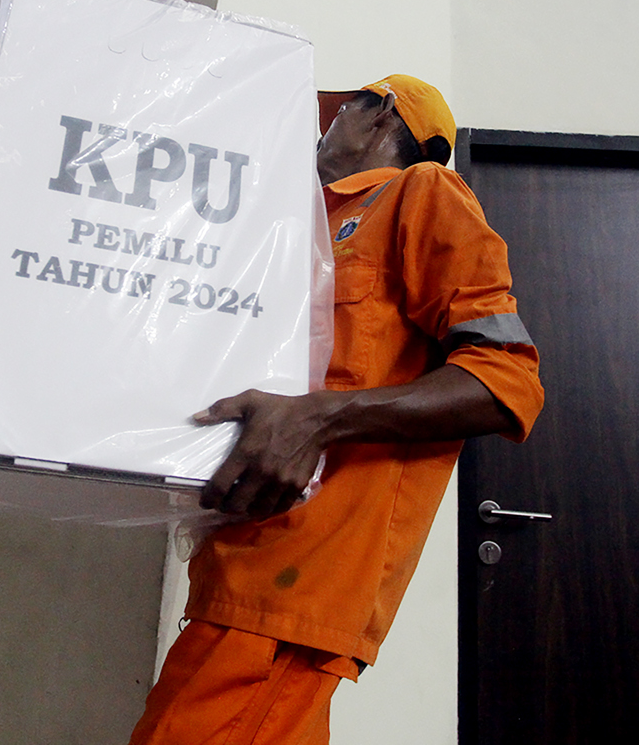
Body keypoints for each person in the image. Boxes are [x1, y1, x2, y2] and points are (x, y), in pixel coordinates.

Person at [128, 76, 545, 744]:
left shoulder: (421, 192)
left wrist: (319, 418)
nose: (323, 130)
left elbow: (506, 380)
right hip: (239, 568)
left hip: (299, 586)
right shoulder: (294, 232)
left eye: (339, 112)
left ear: (380, 116)